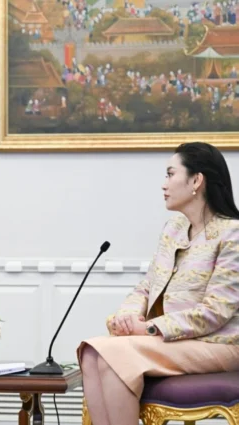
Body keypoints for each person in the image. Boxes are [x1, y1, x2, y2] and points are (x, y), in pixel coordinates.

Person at [78, 141, 239, 425]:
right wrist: (127, 316)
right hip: (169, 340)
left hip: (218, 343)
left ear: (196, 181)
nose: (164, 184)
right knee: (91, 352)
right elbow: (147, 286)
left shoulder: (232, 234)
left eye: (170, 174)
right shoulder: (173, 229)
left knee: (113, 353)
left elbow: (215, 312)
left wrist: (150, 328)